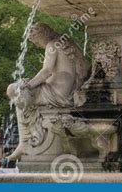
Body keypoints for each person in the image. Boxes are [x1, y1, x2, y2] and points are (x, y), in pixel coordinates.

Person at [6, 23, 88, 161]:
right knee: (21, 93)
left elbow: (46, 72)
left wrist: (29, 85)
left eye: (37, 41)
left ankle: (24, 141)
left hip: (55, 94)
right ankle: (25, 140)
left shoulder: (52, 45)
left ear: (41, 35)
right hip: (67, 92)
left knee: (16, 92)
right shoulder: (67, 42)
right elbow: (84, 69)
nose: (38, 45)